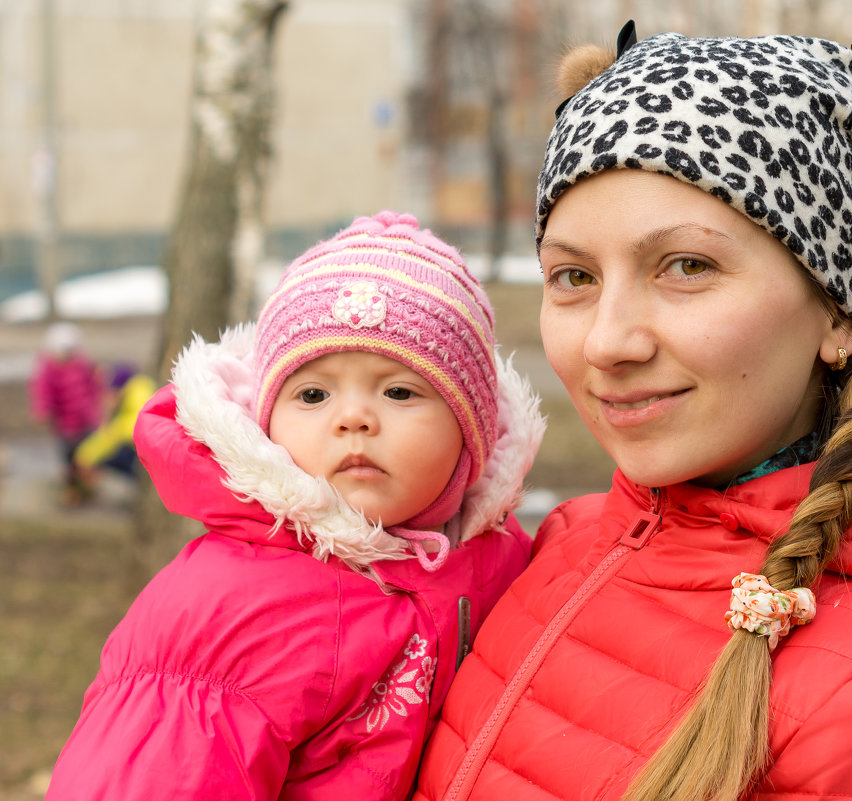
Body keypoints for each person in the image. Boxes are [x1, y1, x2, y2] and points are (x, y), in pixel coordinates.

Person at [413, 23, 852, 801]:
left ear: (837, 314)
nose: (608, 341)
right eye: (573, 275)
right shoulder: (560, 547)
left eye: (687, 266)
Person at [46, 211, 546, 800]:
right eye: (313, 393)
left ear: (473, 432)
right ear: (267, 422)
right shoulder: (221, 617)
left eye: (399, 391)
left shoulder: (504, 563)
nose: (353, 417)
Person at [28, 321, 104, 505]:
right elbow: (42, 391)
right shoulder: (48, 369)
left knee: (89, 454)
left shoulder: (82, 363)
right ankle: (72, 488)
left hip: (86, 419)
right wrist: (42, 410)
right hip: (65, 423)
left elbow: (94, 384)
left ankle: (87, 485)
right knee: (68, 456)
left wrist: (99, 403)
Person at [73, 361, 157, 482]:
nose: (108, 398)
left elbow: (114, 434)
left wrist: (85, 457)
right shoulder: (138, 393)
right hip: (142, 452)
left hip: (138, 453)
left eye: (111, 391)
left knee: (114, 455)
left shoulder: (138, 400)